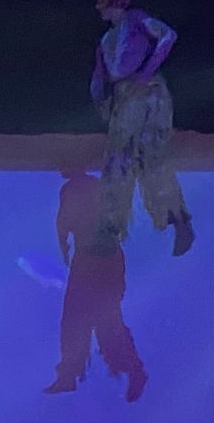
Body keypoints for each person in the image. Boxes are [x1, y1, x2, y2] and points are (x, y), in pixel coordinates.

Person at [90, 0, 194, 257]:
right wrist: (102, 102)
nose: (99, 5)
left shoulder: (135, 19)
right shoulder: (105, 40)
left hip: (147, 94)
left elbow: (167, 35)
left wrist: (146, 73)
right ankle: (110, 229)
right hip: (125, 98)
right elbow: (100, 75)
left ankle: (178, 220)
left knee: (153, 156)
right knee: (118, 161)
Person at [46, 168, 148, 401]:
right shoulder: (93, 189)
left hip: (93, 262)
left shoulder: (73, 190)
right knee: (98, 322)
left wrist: (65, 247)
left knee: (85, 321)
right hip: (102, 261)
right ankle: (77, 372)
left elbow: (63, 225)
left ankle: (75, 373)